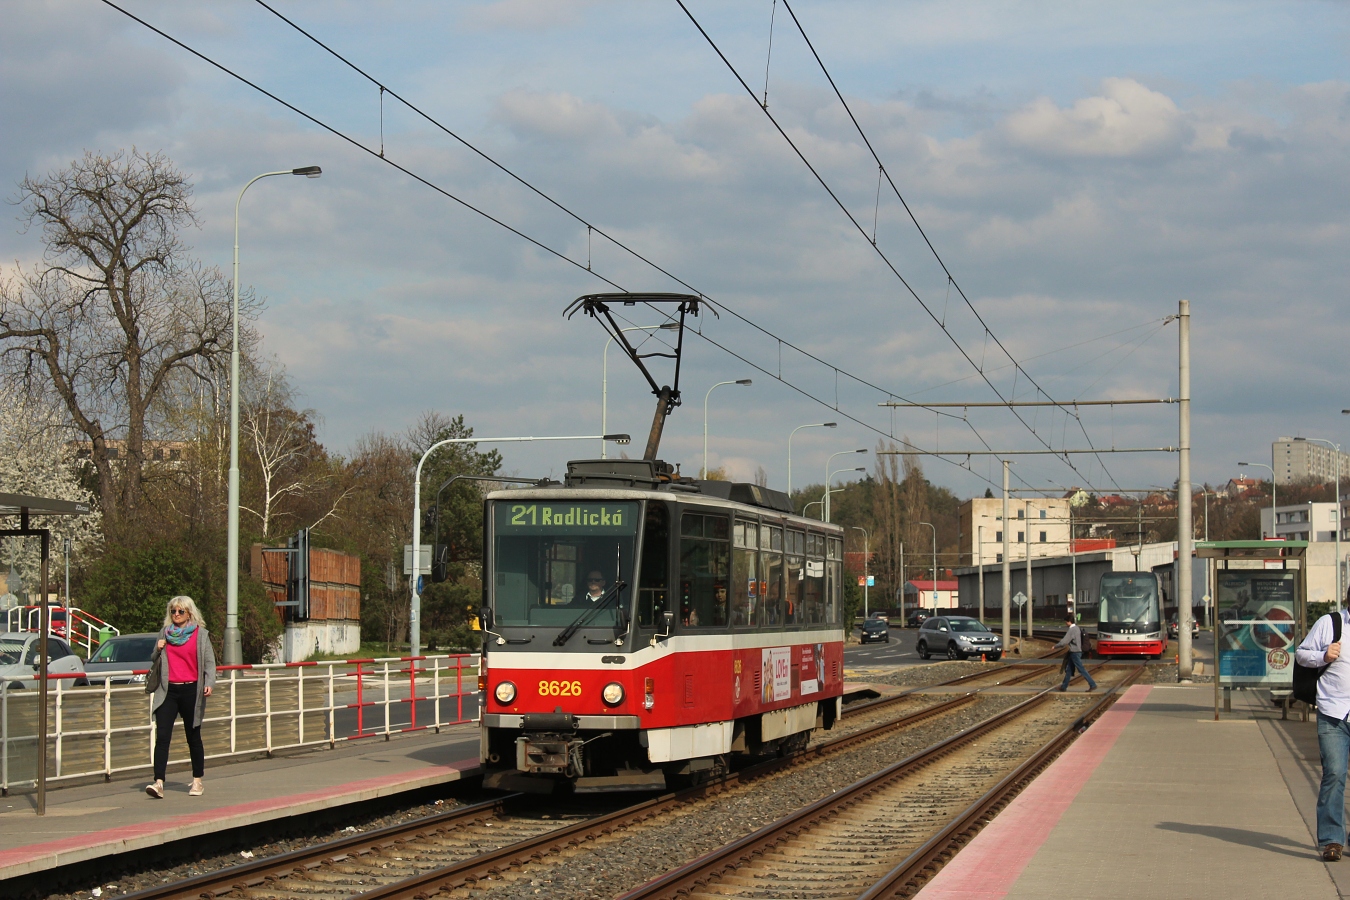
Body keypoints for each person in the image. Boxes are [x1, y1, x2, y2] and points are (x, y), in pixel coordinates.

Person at [146, 595, 216, 799]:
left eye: (180, 611)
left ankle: (197, 781)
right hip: (168, 691)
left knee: (193, 736)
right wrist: (158, 649)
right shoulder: (165, 633)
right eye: (173, 611)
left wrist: (209, 684)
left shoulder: (201, 635)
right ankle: (158, 782)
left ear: (189, 613)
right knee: (163, 737)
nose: (176, 615)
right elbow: (153, 659)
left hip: (191, 690)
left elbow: (210, 663)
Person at [1296, 601, 1350, 861]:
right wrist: (1324, 656)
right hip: (1333, 713)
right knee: (1335, 774)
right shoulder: (1330, 623)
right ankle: (1332, 839)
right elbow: (1301, 654)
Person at [1054, 613, 1097, 692]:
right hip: (1076, 651)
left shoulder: (1072, 630)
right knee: (1069, 670)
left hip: (1075, 652)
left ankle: (1092, 684)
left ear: (1069, 621)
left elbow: (1064, 641)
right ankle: (1063, 687)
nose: (1065, 623)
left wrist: (1056, 646)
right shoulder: (1077, 628)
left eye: (1066, 622)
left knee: (1081, 669)